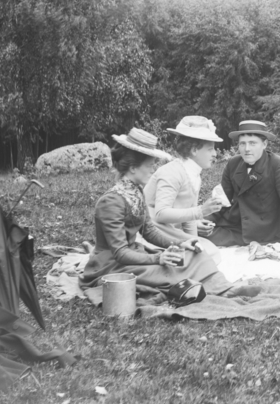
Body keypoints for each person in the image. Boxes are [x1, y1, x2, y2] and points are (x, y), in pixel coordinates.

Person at [81, 128, 219, 299]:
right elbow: (120, 252)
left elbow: (149, 231)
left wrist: (181, 243)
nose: (153, 170)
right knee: (174, 273)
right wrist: (158, 258)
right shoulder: (110, 202)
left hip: (135, 256)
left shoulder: (137, 191)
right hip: (110, 265)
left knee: (196, 257)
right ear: (133, 168)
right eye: (150, 166)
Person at [202, 120, 280, 249]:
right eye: (242, 143)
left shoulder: (278, 166)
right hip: (232, 229)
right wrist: (205, 222)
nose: (247, 149)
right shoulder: (233, 163)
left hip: (263, 234)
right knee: (191, 236)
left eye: (252, 143)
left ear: (264, 144)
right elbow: (221, 200)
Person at [145, 116, 225, 244]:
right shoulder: (172, 173)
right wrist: (201, 211)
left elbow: (189, 219)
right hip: (150, 231)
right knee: (208, 251)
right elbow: (160, 214)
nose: (215, 154)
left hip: (168, 231)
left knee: (206, 249)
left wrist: (195, 242)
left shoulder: (194, 176)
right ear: (194, 150)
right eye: (210, 149)